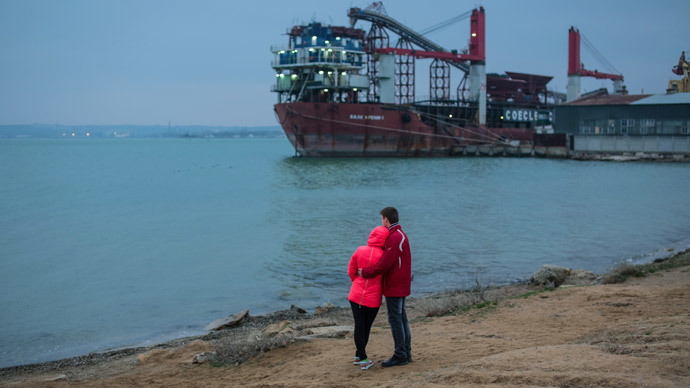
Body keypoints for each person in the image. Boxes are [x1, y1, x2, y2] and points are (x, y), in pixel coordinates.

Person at [359, 207, 412, 367]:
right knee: (401, 318)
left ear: (386, 220)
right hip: (401, 284)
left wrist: (365, 272)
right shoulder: (400, 235)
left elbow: (384, 264)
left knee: (396, 319)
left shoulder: (395, 237)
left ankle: (401, 355)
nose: (381, 222)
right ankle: (406, 352)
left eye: (381, 219)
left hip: (395, 285)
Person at [347, 226, 389, 371]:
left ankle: (359, 356)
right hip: (373, 298)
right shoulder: (384, 255)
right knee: (365, 327)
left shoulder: (360, 250)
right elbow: (385, 277)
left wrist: (357, 283)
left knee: (359, 326)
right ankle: (363, 359)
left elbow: (351, 270)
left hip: (355, 294)